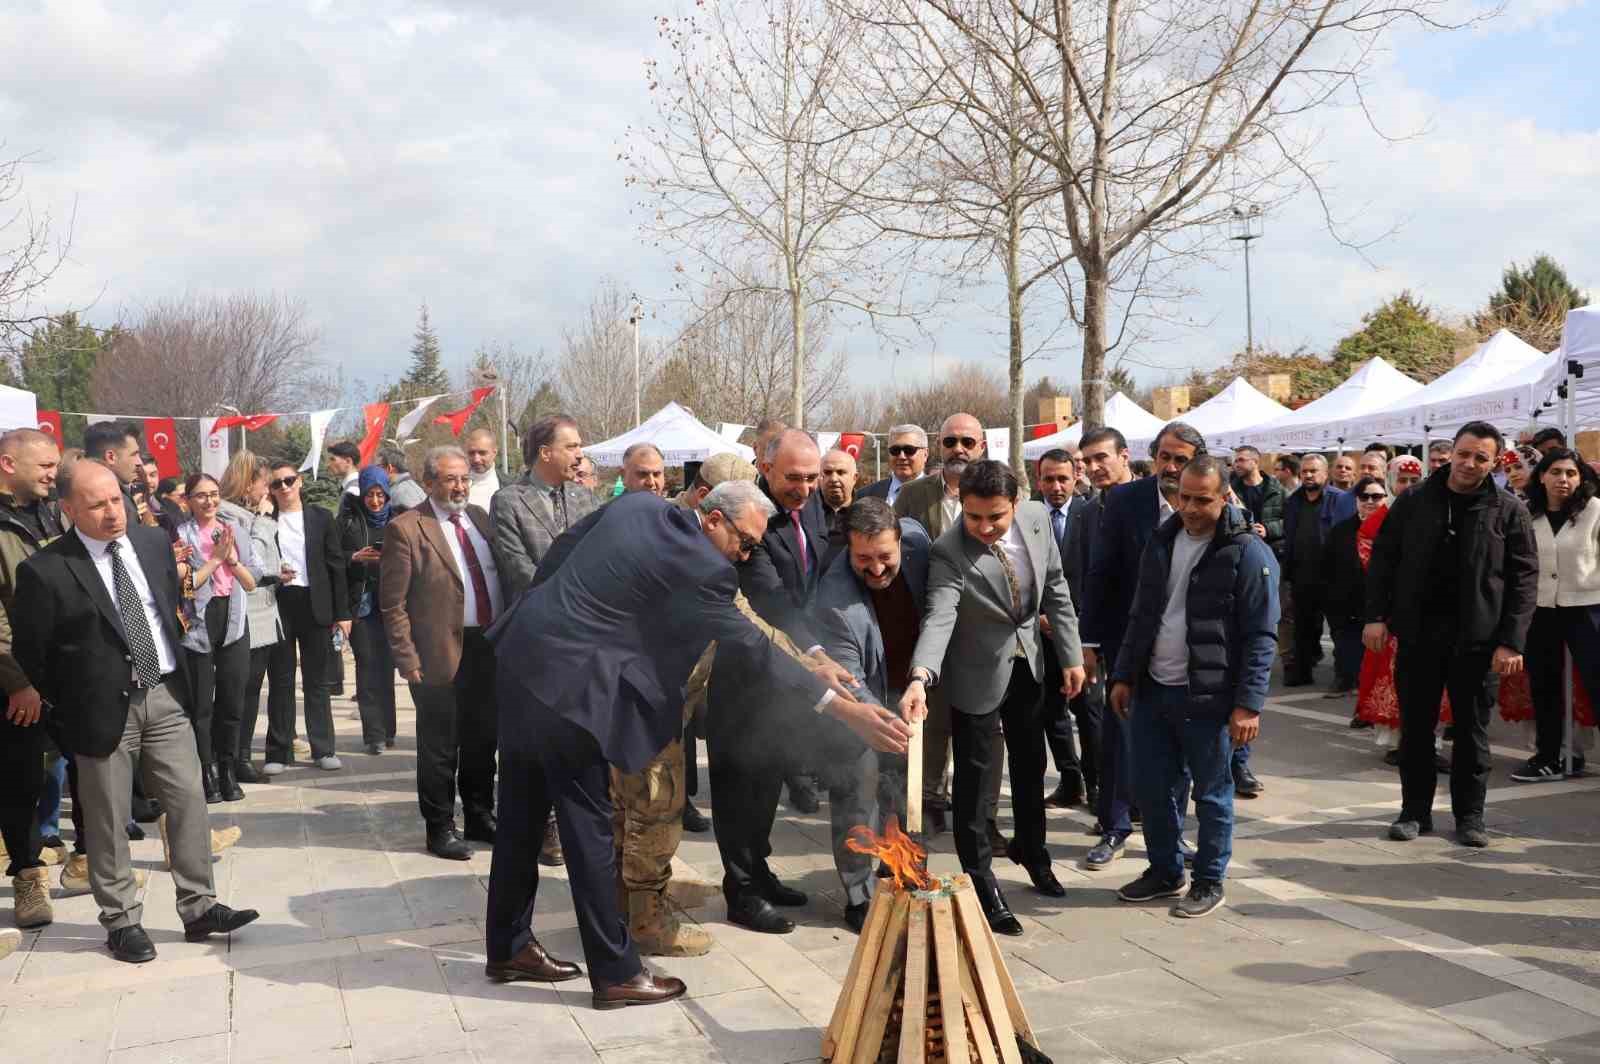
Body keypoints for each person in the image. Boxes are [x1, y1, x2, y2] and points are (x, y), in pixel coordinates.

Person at [483, 483, 908, 1007]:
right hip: (572, 688)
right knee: (587, 825)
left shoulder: (639, 505)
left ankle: (508, 946)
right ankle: (616, 972)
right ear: (711, 520)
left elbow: (561, 553)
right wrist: (843, 709)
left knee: (522, 812)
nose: (745, 555)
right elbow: (753, 644)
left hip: (521, 653)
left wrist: (553, 615)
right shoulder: (703, 569)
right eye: (745, 542)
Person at [12, 460, 259, 963]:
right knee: (105, 820)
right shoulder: (45, 570)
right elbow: (35, 653)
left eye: (115, 500)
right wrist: (71, 707)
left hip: (165, 695)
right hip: (99, 712)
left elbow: (167, 608)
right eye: (96, 505)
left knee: (189, 799)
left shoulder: (149, 545)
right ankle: (121, 920)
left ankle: (199, 907)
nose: (112, 513)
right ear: (68, 510)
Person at [901, 460, 1086, 935]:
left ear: (1017, 505)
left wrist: (1070, 655)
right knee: (977, 783)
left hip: (1029, 663)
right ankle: (982, 880)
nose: (983, 527)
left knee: (1029, 765)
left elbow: (1057, 589)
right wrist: (921, 675)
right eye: (973, 516)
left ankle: (1034, 853)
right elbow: (939, 616)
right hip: (975, 672)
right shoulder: (948, 551)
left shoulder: (1039, 521)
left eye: (995, 518)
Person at [1110, 456, 1278, 919]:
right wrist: (1124, 675)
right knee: (1150, 787)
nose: (1189, 507)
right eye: (1183, 496)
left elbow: (1263, 635)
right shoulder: (1161, 541)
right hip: (1152, 688)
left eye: (1202, 499)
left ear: (1226, 497)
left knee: (1211, 793)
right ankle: (1165, 871)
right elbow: (1142, 615)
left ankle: (1209, 880)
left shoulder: (1247, 552)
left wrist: (1248, 704)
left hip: (1209, 697)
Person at [1366, 422, 1538, 848]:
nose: (1469, 463)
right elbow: (1384, 561)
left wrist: (1511, 641)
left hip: (1478, 642)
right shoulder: (1414, 500)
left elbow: (1523, 579)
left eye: (1481, 457)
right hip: (1420, 635)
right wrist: (1375, 616)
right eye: (1463, 453)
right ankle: (1414, 812)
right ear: (1450, 453)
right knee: (1417, 728)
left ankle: (1470, 816)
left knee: (1472, 733)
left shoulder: (1508, 508)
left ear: (1495, 461)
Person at [1083, 421, 1204, 870]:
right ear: (1151, 458)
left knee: (1181, 744)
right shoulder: (1124, 501)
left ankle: (1171, 833)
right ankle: (1114, 827)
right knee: (1119, 737)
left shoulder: (1210, 502)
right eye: (1164, 457)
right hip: (1128, 641)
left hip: (1188, 647)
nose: (1171, 467)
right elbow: (1101, 573)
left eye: (1181, 459)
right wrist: (1090, 641)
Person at [814, 497, 932, 931]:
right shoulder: (834, 599)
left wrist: (920, 684)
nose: (877, 569)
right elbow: (849, 679)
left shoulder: (920, 540)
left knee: (905, 792)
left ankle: (902, 867)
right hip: (860, 706)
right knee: (856, 792)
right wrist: (881, 720)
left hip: (912, 686)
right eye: (864, 559)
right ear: (848, 550)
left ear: (902, 541)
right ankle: (858, 893)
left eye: (886, 557)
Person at [381, 447, 502, 860]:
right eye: (450, 479)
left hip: (487, 647)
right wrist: (406, 658)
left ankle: (480, 814)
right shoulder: (407, 528)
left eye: (464, 478)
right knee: (440, 746)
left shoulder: (481, 520)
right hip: (437, 654)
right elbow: (393, 604)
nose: (460, 486)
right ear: (430, 482)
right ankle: (440, 826)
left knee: (483, 739)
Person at [489, 414, 598, 866]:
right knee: (536, 739)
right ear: (545, 452)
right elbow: (518, 568)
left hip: (585, 642)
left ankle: (577, 822)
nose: (579, 455)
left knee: (578, 734)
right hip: (534, 640)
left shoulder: (586, 501)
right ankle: (543, 824)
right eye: (572, 446)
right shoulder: (509, 501)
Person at [895, 413, 990, 833]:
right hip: (929, 622)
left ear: (982, 446)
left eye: (968, 441)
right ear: (938, 445)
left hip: (985, 627)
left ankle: (981, 811)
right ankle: (931, 796)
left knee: (985, 721)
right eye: (951, 441)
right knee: (932, 717)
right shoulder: (914, 496)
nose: (959, 449)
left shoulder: (1001, 490)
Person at [743, 429, 832, 814]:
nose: (805, 489)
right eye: (794, 478)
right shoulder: (749, 512)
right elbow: (770, 597)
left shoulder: (811, 500)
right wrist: (813, 649)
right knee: (757, 765)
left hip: (809, 633)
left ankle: (798, 777)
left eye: (813, 478)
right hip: (764, 649)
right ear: (766, 468)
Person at [0, 429, 65, 934]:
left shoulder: (52, 513)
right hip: (17, 683)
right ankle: (27, 872)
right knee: (20, 779)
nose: (52, 473)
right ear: (7, 464)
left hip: (65, 670)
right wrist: (19, 680)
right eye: (43, 465)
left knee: (82, 766)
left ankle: (94, 860)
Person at [1508, 449, 1600, 782]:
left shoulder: (1594, 510)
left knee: (1597, 680)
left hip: (1588, 606)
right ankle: (1548, 756)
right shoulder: (1525, 513)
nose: (1564, 479)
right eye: (1557, 472)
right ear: (1542, 476)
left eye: (1571, 473)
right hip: (1542, 609)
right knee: (1545, 685)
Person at [1060, 427, 1135, 817]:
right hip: (1102, 638)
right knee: (1107, 723)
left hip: (1150, 635)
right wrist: (1084, 640)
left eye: (1100, 458)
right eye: (1086, 462)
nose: (1093, 467)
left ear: (1124, 456)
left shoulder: (1154, 501)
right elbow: (1080, 577)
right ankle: (1113, 814)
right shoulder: (1088, 512)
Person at [1353, 456, 1449, 756]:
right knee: (1394, 681)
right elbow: (1374, 568)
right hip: (1394, 614)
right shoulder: (1376, 520)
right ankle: (1398, 744)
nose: (1408, 486)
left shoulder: (1436, 511)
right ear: (1391, 481)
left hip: (1433, 612)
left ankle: (1430, 744)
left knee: (1435, 681)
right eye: (1402, 480)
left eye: (1413, 479)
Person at [175, 472, 259, 804]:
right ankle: (206, 771)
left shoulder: (234, 530)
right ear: (188, 500)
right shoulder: (181, 536)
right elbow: (186, 585)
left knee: (233, 702)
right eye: (200, 496)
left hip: (234, 620)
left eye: (214, 494)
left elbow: (252, 582)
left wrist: (232, 559)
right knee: (201, 706)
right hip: (199, 622)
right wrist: (215, 559)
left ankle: (228, 769)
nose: (209, 501)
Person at [263, 461, 349, 774]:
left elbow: (336, 566)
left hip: (316, 605)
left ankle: (323, 748)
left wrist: (343, 614)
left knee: (317, 681)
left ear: (299, 482)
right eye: (277, 484)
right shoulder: (265, 520)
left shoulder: (320, 517)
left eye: (288, 481)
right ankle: (278, 750)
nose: (284, 488)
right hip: (280, 604)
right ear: (270, 490)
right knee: (281, 680)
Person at [1036, 447, 1099, 808]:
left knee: (1089, 713)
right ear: (1038, 478)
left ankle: (1097, 784)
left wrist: (1076, 624)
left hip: (1081, 633)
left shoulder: (1090, 515)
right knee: (1051, 713)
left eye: (1063, 479)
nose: (1056, 486)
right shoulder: (1027, 516)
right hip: (1039, 632)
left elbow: (1098, 575)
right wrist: (1039, 618)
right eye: (1049, 479)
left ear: (1075, 477)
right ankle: (1070, 780)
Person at [219, 453, 282, 785]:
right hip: (245, 613)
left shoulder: (251, 514)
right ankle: (231, 760)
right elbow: (249, 558)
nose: (267, 491)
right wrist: (263, 521)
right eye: (263, 483)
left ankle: (242, 755)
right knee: (238, 692)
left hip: (264, 610)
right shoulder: (228, 515)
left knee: (252, 690)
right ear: (247, 484)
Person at [1281, 454, 1352, 687]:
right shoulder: (1293, 501)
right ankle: (1301, 672)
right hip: (1302, 575)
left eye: (1314, 471)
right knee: (1302, 628)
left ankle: (1344, 676)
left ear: (1325, 474)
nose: (1309, 475)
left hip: (1333, 577)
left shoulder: (1341, 500)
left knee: (1339, 630)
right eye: (1305, 471)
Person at [341, 466, 398, 756]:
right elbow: (333, 559)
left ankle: (388, 729)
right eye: (370, 495)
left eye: (380, 495)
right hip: (361, 606)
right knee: (367, 666)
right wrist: (354, 557)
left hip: (392, 605)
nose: (375, 501)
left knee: (387, 667)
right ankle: (373, 734)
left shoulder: (400, 519)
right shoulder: (349, 521)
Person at [1327, 476, 1386, 701]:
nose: (1370, 501)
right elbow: (1328, 567)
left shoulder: (1394, 529)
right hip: (1346, 605)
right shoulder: (1341, 531)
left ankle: (1369, 703)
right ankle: (1346, 681)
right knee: (1348, 653)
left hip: (1381, 607)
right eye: (1364, 497)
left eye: (1377, 496)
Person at [84, 421, 144, 528]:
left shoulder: (83, 495)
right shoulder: (112, 500)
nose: (139, 462)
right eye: (134, 454)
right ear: (111, 457)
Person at [862, 425, 928, 505]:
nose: (901, 456)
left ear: (925, 454)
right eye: (895, 450)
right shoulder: (865, 496)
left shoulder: (941, 494)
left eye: (909, 450)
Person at [819, 447, 858, 562]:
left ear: (855, 478)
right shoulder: (805, 511)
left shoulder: (866, 512)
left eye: (841, 472)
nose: (834, 479)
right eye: (827, 472)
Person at [377, 447, 427, 511]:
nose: (375, 471)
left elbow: (414, 520)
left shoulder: (402, 492)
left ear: (389, 468)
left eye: (378, 467)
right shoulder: (407, 487)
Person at [465, 427, 501, 510]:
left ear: (494, 452)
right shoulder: (456, 486)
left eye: (482, 453)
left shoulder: (510, 485)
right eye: (471, 453)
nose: (476, 459)